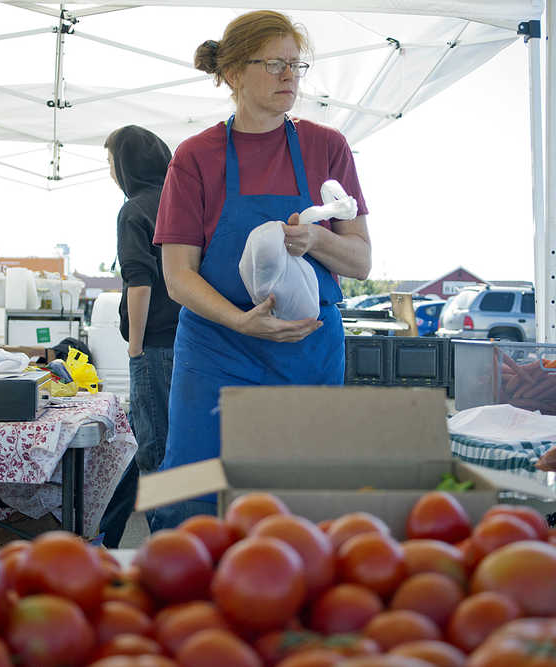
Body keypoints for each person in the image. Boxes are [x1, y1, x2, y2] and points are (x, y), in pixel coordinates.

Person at [150, 10, 372, 529]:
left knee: (301, 501)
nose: (289, 76)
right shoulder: (195, 157)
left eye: (295, 65)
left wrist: (316, 239)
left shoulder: (327, 147)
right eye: (274, 64)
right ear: (232, 74)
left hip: (308, 350)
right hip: (217, 352)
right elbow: (178, 274)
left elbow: (361, 260)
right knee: (196, 496)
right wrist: (239, 320)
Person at [97, 125, 181, 546]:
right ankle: (107, 535)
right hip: (191, 342)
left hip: (155, 346)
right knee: (157, 443)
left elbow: (139, 282)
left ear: (127, 166)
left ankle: (170, 548)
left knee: (153, 450)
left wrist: (134, 348)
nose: (111, 172)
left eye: (112, 163)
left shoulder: (135, 210)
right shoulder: (181, 202)